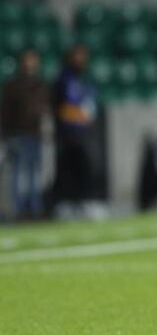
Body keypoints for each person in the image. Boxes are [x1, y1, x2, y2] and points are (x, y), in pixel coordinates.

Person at [1, 49, 49, 220]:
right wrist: (5, 135)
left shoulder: (40, 84)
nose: (30, 64)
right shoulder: (13, 85)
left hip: (35, 134)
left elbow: (44, 110)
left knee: (35, 174)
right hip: (17, 135)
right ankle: (19, 209)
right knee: (19, 174)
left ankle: (34, 209)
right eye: (28, 60)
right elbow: (6, 113)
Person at [51, 44, 100, 211]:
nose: (82, 60)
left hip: (83, 131)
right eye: (78, 56)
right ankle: (65, 204)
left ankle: (84, 201)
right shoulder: (64, 78)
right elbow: (61, 106)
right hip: (68, 132)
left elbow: (90, 102)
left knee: (84, 168)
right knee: (68, 168)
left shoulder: (86, 78)